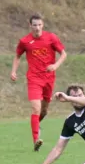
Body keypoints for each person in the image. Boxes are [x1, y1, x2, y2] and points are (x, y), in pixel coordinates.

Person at [11, 14, 67, 152]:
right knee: (35, 108)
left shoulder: (51, 37)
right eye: (34, 25)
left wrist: (55, 65)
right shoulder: (25, 41)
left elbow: (64, 54)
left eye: (39, 25)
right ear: (30, 26)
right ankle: (36, 139)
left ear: (43, 25)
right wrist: (13, 71)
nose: (37, 28)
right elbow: (18, 56)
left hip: (49, 78)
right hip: (34, 78)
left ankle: (36, 125)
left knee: (44, 111)